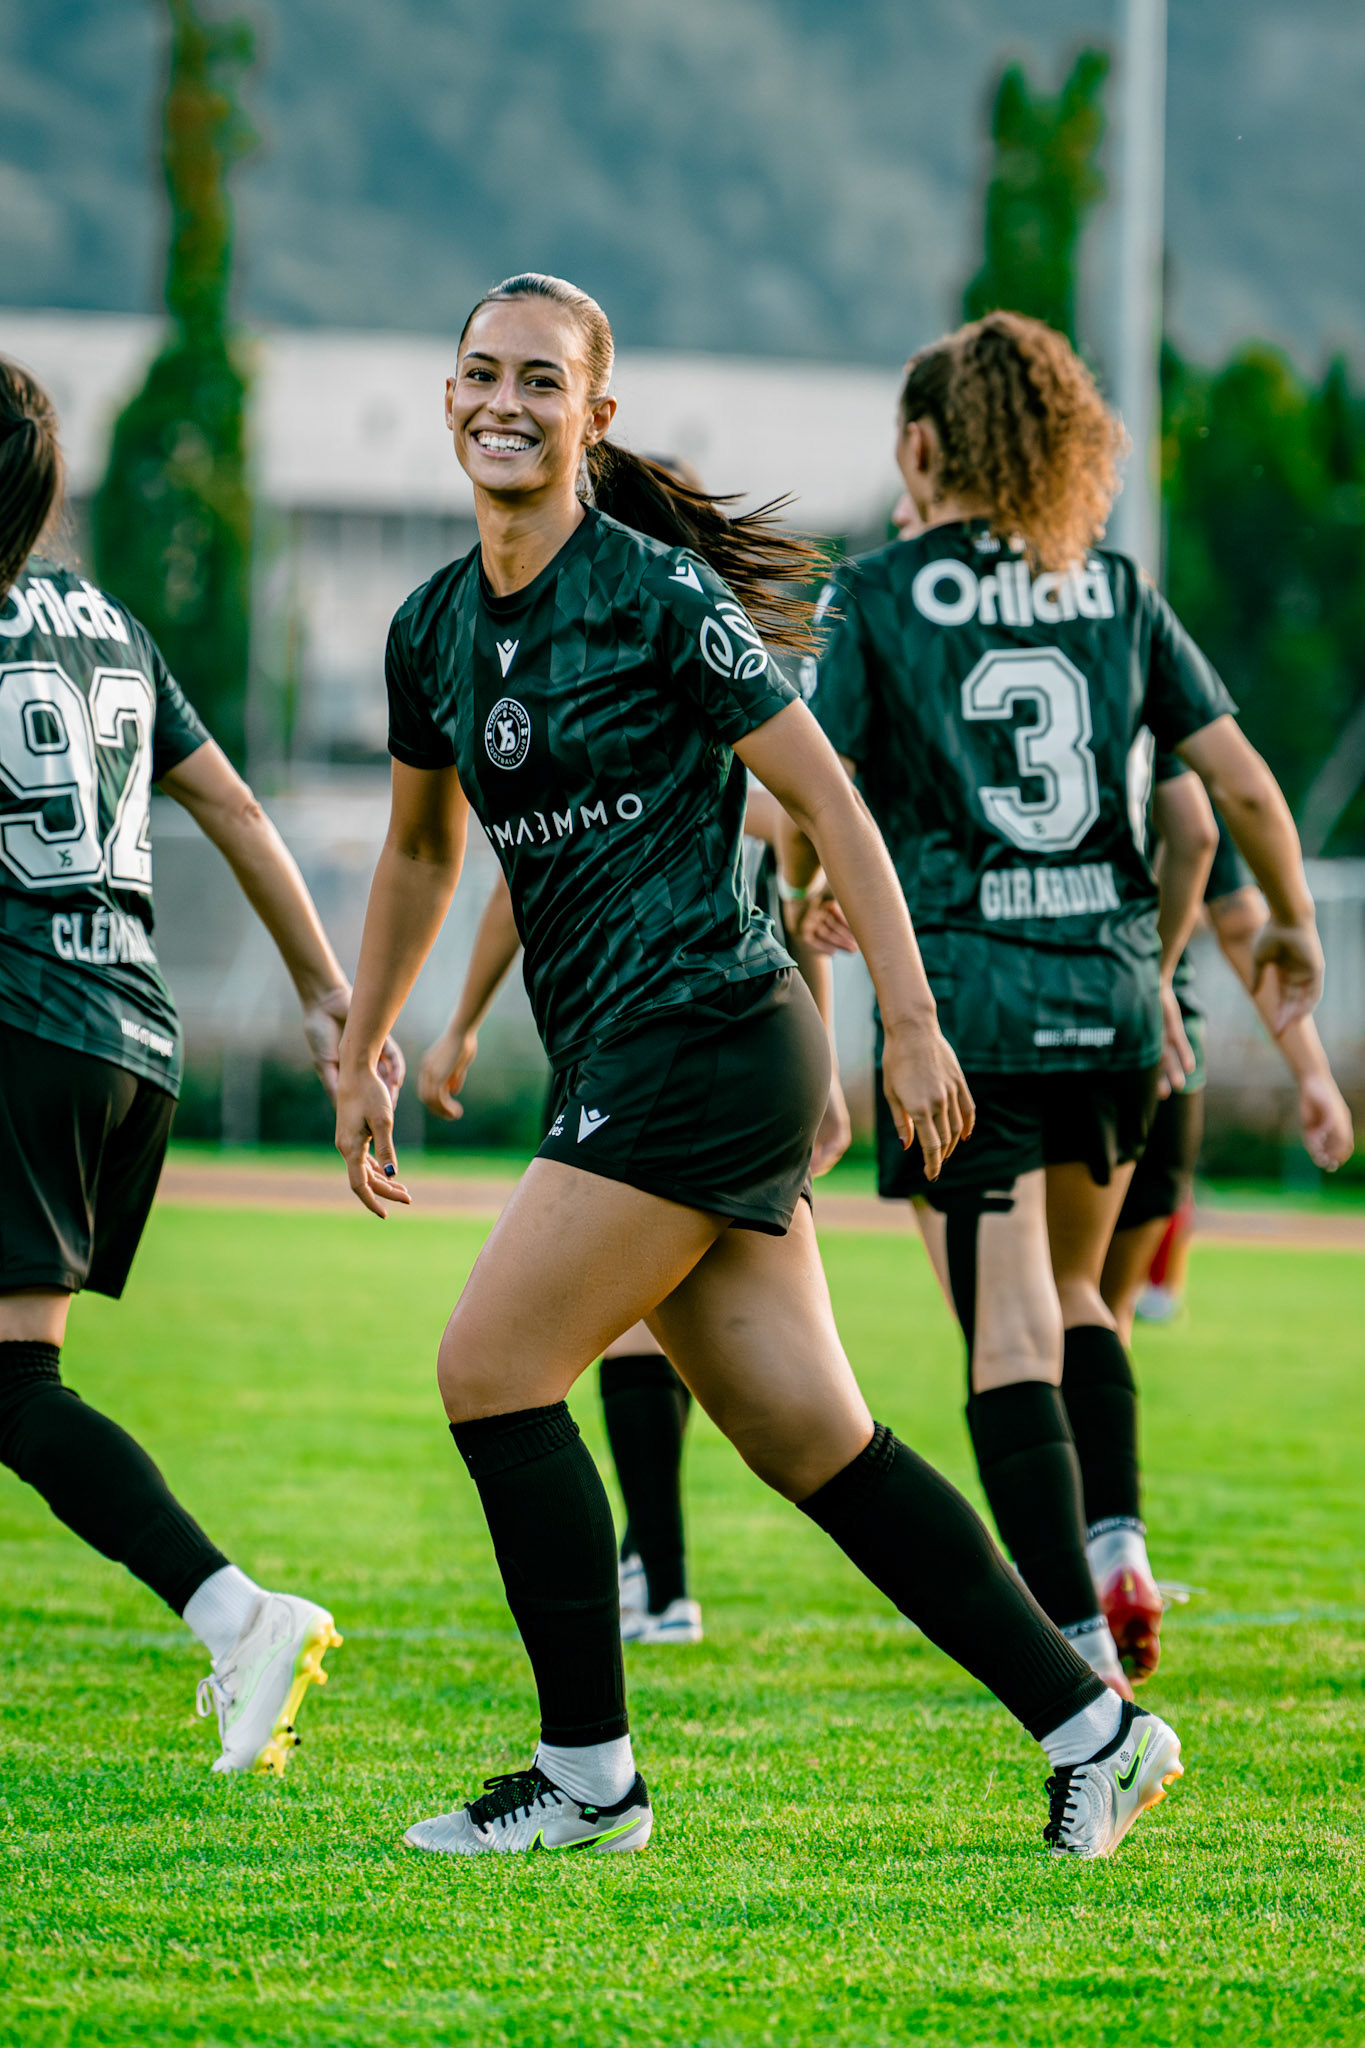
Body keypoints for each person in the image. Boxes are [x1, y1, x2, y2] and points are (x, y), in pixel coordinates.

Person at [335, 271, 1184, 1863]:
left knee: (489, 1369)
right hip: (647, 1050)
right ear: (446, 398)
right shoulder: (430, 627)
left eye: (540, 381)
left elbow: (833, 805)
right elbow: (417, 848)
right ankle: (1097, 1730)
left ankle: (589, 1778)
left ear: (597, 417)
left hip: (711, 1031)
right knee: (815, 1441)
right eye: (477, 374)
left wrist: (914, 1021)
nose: (501, 402)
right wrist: (374, 1032)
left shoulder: (654, 594)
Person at [785, 311, 1324, 1696]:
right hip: (1112, 1001)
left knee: (1006, 1328)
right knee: (1080, 1294)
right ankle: (1117, 1536)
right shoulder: (1117, 586)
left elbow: (812, 781)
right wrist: (1297, 929)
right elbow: (1239, 788)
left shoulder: (883, 590)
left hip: (962, 1003)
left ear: (920, 444)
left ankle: (1075, 1654)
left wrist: (799, 895)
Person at [0, 357, 401, 1773]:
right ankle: (233, 1615)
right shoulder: (103, 621)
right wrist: (327, 993)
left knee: (12, 1388)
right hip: (128, 1035)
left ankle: (236, 1614)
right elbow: (228, 800)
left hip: (21, 1019)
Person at [417, 783, 851, 1646]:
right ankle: (654, 1569)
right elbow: (797, 885)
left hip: (653, 1038)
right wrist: (827, 1066)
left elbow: (803, 827)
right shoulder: (695, 713)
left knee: (566, 1350)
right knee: (813, 1429)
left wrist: (459, 1022)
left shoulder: (651, 714)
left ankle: (659, 1578)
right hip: (684, 1036)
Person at [1106, 786, 1354, 1337]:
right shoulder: (1157, 736)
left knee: (1022, 1312)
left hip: (1012, 1035)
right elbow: (1208, 849)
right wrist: (1312, 1073)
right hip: (1155, 1049)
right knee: (1102, 1315)